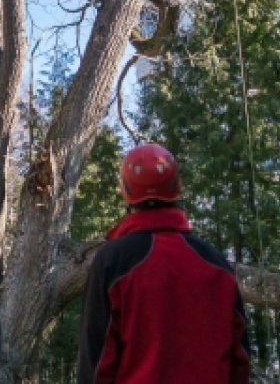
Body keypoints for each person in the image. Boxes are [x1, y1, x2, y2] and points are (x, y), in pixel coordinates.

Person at [77, 143, 251, 384]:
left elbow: (95, 362)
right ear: (177, 186)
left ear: (125, 191)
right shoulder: (217, 263)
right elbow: (240, 359)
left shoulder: (112, 261)